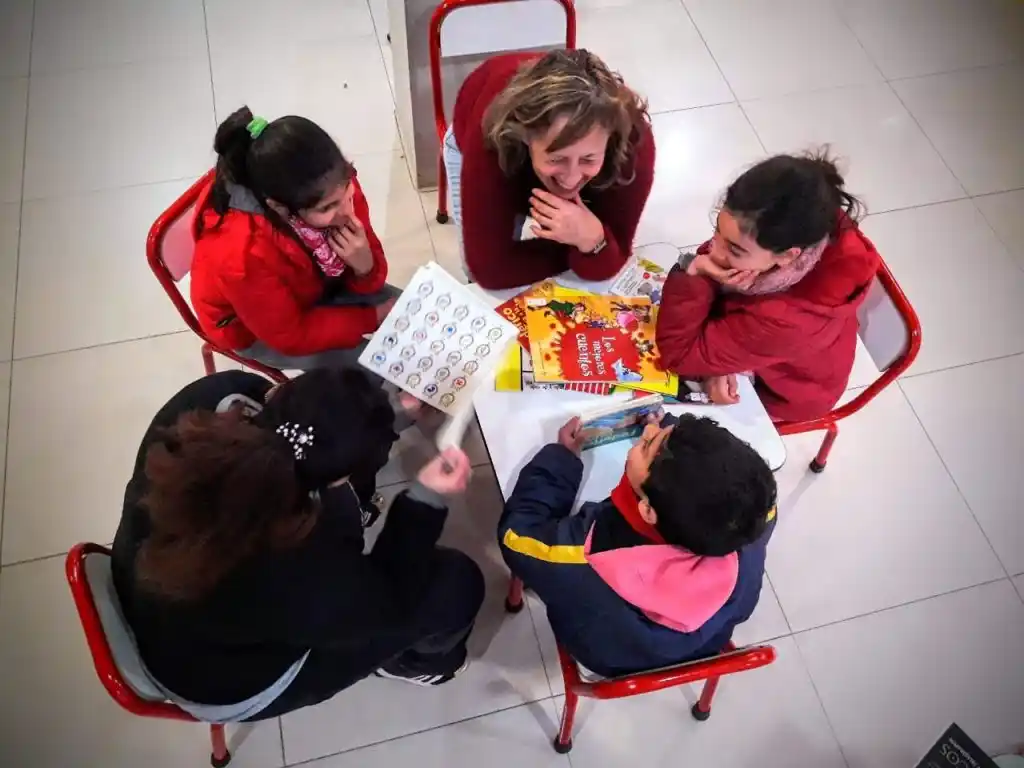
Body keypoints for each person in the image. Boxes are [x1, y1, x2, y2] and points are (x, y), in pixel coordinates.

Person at [111, 369, 485, 723]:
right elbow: (386, 601)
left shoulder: (211, 400)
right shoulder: (297, 571)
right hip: (217, 680)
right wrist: (423, 501)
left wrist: (388, 416)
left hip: (151, 592)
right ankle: (415, 664)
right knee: (457, 584)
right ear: (335, 479)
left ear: (277, 392)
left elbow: (309, 446)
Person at [498, 412, 777, 678]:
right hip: (701, 647)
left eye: (645, 446)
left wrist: (561, 460)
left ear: (647, 511)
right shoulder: (754, 516)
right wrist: (674, 437)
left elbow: (516, 536)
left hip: (611, 657)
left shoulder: (584, 554)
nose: (647, 430)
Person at [655, 151, 881, 422]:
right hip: (765, 348)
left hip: (779, 392)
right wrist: (722, 357)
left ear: (788, 256)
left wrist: (695, 270)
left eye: (735, 249)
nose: (713, 250)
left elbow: (677, 355)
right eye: (718, 230)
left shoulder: (789, 318)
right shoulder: (798, 223)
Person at [190, 106, 401, 371]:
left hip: (315, 284)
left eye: (347, 189)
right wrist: (371, 317)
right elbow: (291, 335)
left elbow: (370, 280)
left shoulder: (333, 183)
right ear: (280, 207)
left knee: (414, 317)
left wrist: (365, 267)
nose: (347, 211)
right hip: (256, 327)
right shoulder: (239, 256)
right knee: (374, 375)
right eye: (326, 208)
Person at [445, 48, 655, 289]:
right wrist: (592, 246)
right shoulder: (492, 139)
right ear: (525, 138)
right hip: (479, 139)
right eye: (557, 159)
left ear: (610, 141)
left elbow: (616, 255)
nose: (572, 178)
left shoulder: (635, 146)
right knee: (473, 271)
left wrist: (593, 239)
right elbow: (489, 270)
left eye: (588, 159)